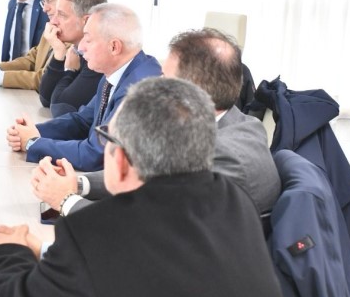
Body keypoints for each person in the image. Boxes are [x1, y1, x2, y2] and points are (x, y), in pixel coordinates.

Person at [0, 78, 299, 297]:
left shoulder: (95, 233)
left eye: (106, 137)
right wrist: (50, 252)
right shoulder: (233, 202)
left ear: (120, 161)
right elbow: (159, 270)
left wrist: (9, 250)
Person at [34, 27, 281, 217]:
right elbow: (145, 175)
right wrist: (79, 183)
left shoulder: (221, 157)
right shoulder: (228, 124)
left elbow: (141, 227)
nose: (157, 84)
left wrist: (65, 200)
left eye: (165, 78)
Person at [6, 3, 161, 171]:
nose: (80, 48)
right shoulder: (115, 73)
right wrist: (33, 131)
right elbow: (82, 121)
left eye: (88, 39)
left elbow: (96, 154)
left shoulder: (138, 90)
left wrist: (34, 143)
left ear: (114, 47)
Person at [38, 0, 109, 116]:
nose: (53, 21)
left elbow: (60, 108)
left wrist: (70, 71)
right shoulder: (76, 51)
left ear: (87, 20)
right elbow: (45, 99)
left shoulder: (99, 57)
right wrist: (59, 55)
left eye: (62, 15)